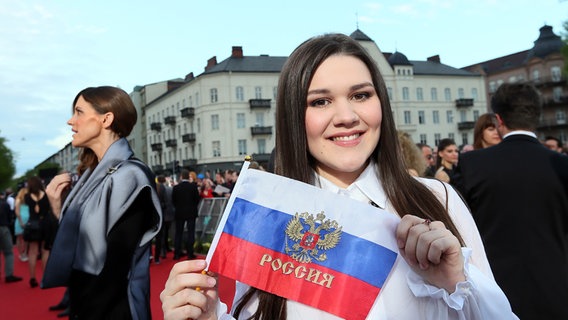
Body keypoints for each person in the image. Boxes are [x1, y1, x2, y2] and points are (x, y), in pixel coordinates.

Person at [160, 33, 516, 320]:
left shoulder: (436, 199)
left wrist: (456, 281)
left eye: (361, 95)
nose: (346, 116)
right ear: (293, 117)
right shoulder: (271, 217)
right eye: (320, 101)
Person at [43, 86, 162, 319]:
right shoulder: (93, 175)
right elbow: (81, 242)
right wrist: (58, 208)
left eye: (78, 112)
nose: (71, 121)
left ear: (106, 119)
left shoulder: (130, 176)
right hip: (87, 303)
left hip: (114, 309)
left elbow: (116, 265)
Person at [453, 83, 568, 320]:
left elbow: (456, 227)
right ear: (535, 116)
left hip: (494, 295)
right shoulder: (562, 166)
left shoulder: (473, 165)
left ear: (499, 120)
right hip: (556, 291)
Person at [24, 175, 52, 288]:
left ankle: (32, 278)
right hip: (45, 224)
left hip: (33, 225)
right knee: (45, 251)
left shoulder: (27, 196)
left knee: (32, 252)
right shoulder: (46, 195)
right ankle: (45, 278)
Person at [172, 169, 201, 260]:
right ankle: (190, 253)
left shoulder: (176, 187)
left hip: (180, 212)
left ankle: (177, 253)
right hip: (191, 212)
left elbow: (173, 201)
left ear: (181, 177)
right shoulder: (193, 187)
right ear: (188, 177)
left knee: (178, 233)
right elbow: (197, 199)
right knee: (190, 233)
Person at [0, 191, 23, 283]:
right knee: (8, 252)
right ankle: (8, 275)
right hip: (4, 227)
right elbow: (10, 217)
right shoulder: (5, 204)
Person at [154, 175, 174, 264]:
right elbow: (166, 201)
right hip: (161, 214)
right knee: (160, 236)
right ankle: (158, 256)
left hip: (153, 215)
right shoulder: (162, 187)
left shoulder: (151, 186)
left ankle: (152, 256)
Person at [13, 187, 29, 262]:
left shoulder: (28, 201)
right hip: (20, 221)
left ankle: (25, 253)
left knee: (26, 238)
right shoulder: (18, 200)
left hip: (27, 221)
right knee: (20, 238)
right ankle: (21, 254)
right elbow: (17, 212)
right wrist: (21, 222)